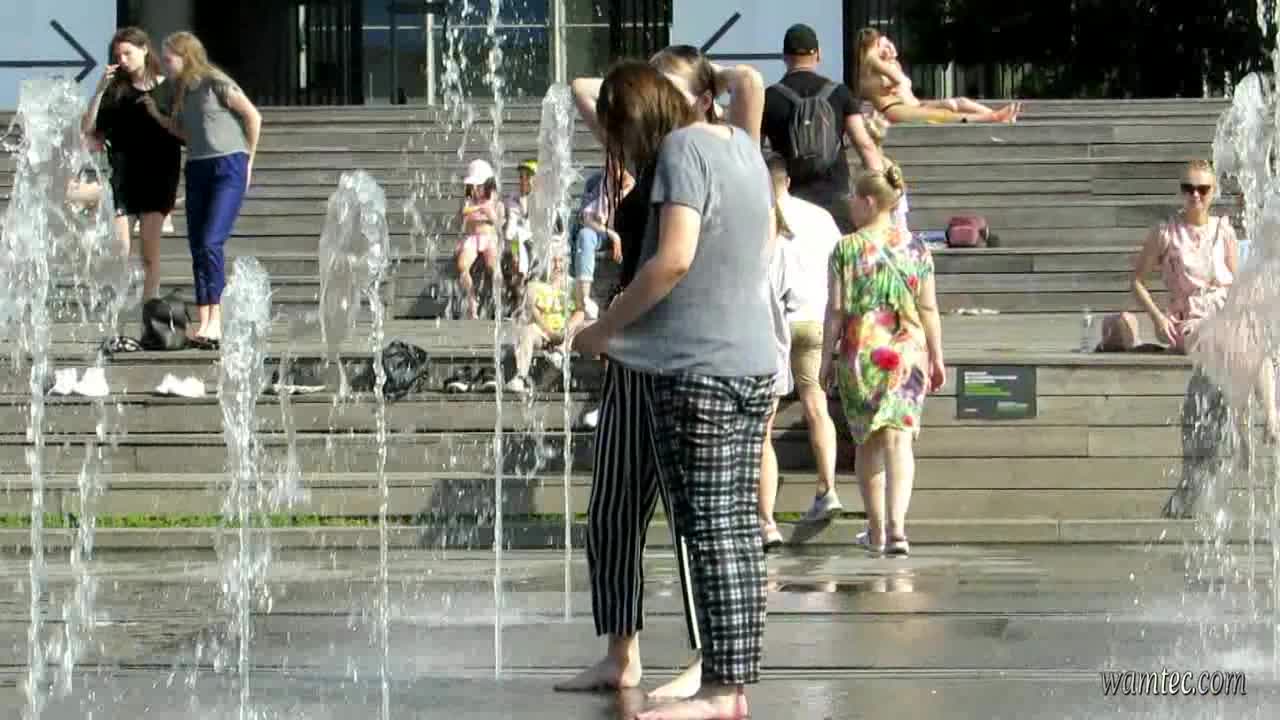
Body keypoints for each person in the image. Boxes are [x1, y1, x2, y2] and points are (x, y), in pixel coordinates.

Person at [558, 45, 766, 705]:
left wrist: (704, 81)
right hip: (639, 353)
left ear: (701, 98)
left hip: (682, 354)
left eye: (670, 88)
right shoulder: (650, 152)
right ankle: (621, 652)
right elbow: (583, 87)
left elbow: (750, 81)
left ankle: (711, 664)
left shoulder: (712, 148)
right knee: (614, 509)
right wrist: (657, 86)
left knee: (696, 520)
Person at [821, 166, 946, 557]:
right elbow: (929, 308)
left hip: (861, 354)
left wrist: (825, 357)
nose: (850, 206)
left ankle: (875, 531)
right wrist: (937, 356)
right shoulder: (917, 248)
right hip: (908, 354)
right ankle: (897, 530)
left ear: (869, 202)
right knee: (900, 439)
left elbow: (836, 311)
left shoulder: (846, 249)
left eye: (854, 199)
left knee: (868, 442)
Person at [149, 32, 261, 347]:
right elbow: (190, 133)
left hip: (228, 165)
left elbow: (253, 117)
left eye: (169, 58)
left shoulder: (215, 82)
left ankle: (217, 320)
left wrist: (248, 160)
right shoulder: (182, 91)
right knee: (198, 245)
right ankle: (205, 321)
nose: (165, 64)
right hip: (198, 168)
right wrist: (157, 116)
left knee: (211, 241)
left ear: (186, 56)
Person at [764, 155, 846, 526]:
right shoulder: (820, 217)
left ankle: (765, 520)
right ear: (788, 181)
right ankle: (827, 488)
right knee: (816, 402)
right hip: (815, 318)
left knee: (765, 422)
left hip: (772, 323)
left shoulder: (759, 217)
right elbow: (840, 264)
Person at [81, 26, 182, 302]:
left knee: (149, 253)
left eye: (128, 53)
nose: (123, 60)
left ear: (144, 50)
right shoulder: (116, 91)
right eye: (118, 56)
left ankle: (149, 308)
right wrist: (99, 90)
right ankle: (114, 308)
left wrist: (157, 115)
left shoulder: (169, 88)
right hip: (123, 177)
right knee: (120, 249)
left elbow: (182, 131)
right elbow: (88, 129)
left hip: (158, 177)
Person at [761, 24, 883, 234]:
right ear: (818, 54)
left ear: (784, 56)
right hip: (836, 199)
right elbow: (865, 146)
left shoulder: (769, 97)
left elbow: (752, 150)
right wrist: (879, 198)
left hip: (789, 202)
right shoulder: (839, 93)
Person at [856, 29, 1021, 125]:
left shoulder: (877, 64)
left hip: (905, 106)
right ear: (874, 45)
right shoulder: (871, 62)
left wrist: (887, 54)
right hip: (893, 110)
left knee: (953, 106)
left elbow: (896, 80)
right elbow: (898, 80)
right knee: (941, 115)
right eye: (881, 45)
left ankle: (997, 116)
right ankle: (994, 117)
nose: (886, 48)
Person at [759, 192, 796, 551]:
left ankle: (752, 519)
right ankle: (766, 521)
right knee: (763, 438)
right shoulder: (784, 248)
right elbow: (793, 299)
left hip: (732, 350)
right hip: (771, 352)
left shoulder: (727, 242)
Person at [506, 247, 573, 394]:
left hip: (565, 336)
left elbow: (579, 312)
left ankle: (559, 355)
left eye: (560, 261)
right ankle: (520, 377)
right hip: (542, 334)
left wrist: (564, 331)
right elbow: (532, 311)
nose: (557, 265)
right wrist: (549, 333)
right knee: (527, 329)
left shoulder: (572, 286)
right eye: (553, 261)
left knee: (576, 326)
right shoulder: (534, 286)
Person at [571, 166, 632, 319]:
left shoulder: (636, 186)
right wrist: (612, 235)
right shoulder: (597, 182)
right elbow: (585, 218)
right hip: (602, 232)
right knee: (585, 235)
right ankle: (584, 301)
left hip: (627, 235)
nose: (612, 170)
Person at [455, 158, 504, 320]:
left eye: (479, 186)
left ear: (488, 185)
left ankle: (499, 303)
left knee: (493, 266)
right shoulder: (469, 200)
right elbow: (463, 213)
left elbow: (499, 222)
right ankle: (472, 301)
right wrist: (478, 208)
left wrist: (490, 214)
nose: (475, 189)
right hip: (472, 237)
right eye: (473, 186)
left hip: (488, 237)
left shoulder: (494, 200)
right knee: (462, 266)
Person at [501, 159, 538, 314]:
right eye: (521, 177)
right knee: (514, 257)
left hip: (536, 243)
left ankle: (524, 303)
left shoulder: (542, 199)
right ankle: (518, 301)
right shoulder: (513, 199)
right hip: (517, 243)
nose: (523, 181)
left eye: (528, 177)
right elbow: (511, 228)